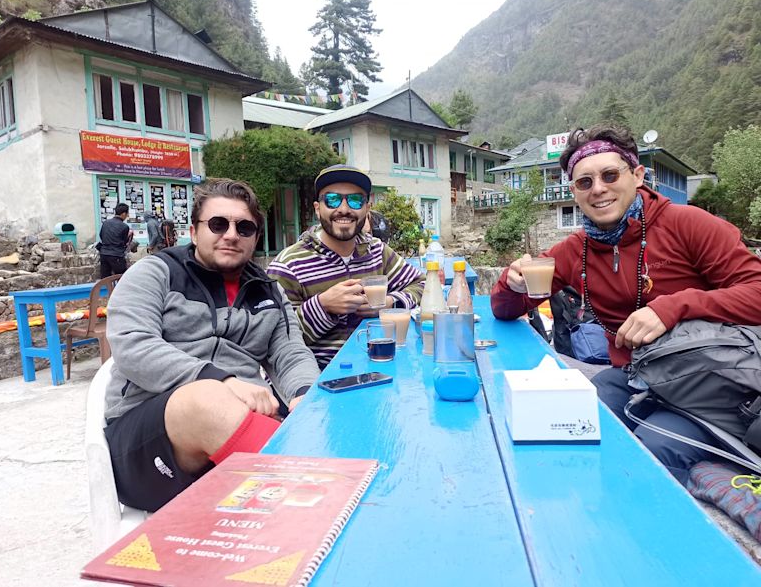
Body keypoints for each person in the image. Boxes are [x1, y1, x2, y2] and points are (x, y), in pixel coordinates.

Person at [490, 124, 761, 484]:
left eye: (609, 174)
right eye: (584, 182)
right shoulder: (576, 250)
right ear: (574, 191)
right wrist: (512, 282)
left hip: (709, 379)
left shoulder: (688, 224)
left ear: (637, 175)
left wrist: (671, 308)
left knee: (651, 452)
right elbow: (504, 309)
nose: (598, 189)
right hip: (636, 375)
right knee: (571, 417)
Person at [103, 179, 320, 512]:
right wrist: (223, 381)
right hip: (147, 438)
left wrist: (305, 394)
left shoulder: (269, 290)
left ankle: (314, 496)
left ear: (255, 239)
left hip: (242, 432)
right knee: (206, 399)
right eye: (218, 224)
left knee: (321, 413)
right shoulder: (155, 273)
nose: (231, 234)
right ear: (194, 231)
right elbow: (133, 344)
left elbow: (290, 353)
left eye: (244, 227)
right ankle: (312, 499)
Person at [268, 164, 424, 368]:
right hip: (321, 382)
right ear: (317, 208)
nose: (343, 209)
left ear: (367, 209)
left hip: (381, 367)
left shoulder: (376, 251)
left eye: (355, 200)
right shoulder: (288, 265)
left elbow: (422, 284)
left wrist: (390, 302)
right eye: (332, 200)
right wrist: (323, 306)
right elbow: (275, 339)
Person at [98, 202, 131, 278]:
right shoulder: (124, 226)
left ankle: (107, 290)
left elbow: (101, 236)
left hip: (104, 253)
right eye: (127, 214)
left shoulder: (106, 223)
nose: (127, 216)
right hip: (116, 255)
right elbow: (124, 241)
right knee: (121, 278)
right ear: (123, 214)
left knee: (105, 279)